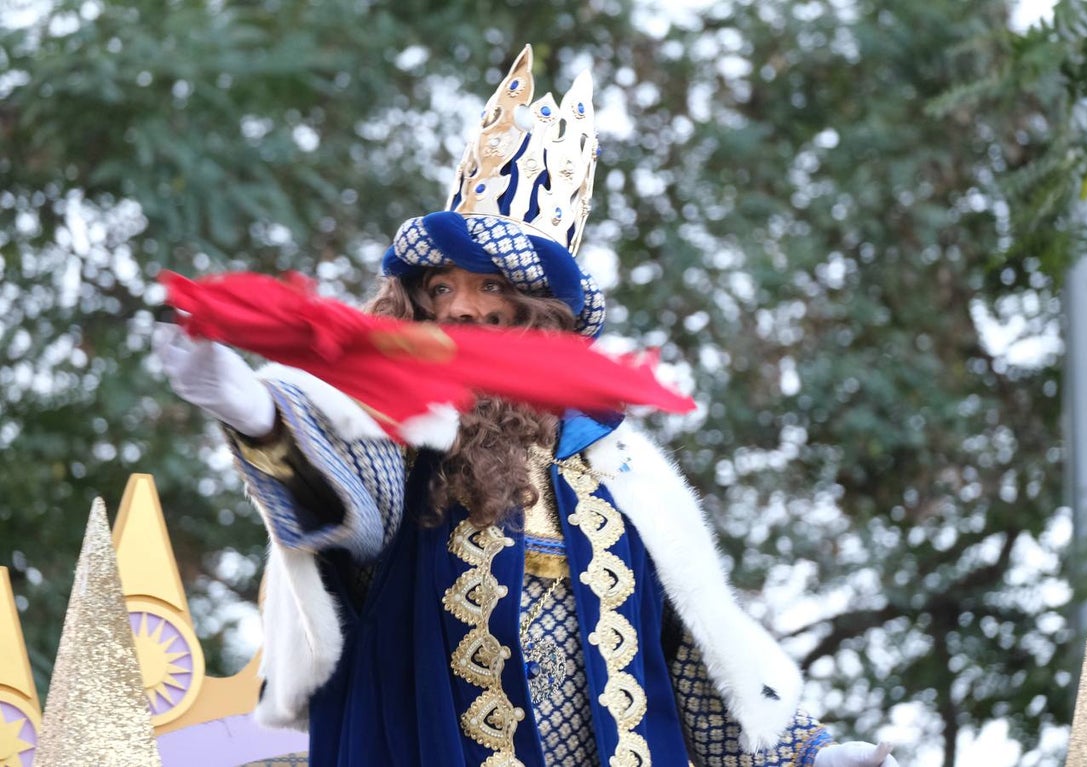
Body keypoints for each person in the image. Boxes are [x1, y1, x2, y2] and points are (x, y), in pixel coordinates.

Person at [155, 45, 898, 767]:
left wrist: (807, 752)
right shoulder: (407, 450)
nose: (464, 311)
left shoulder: (622, 473)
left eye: (488, 288)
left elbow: (695, 657)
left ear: (540, 314)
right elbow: (331, 481)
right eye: (441, 289)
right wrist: (250, 408)